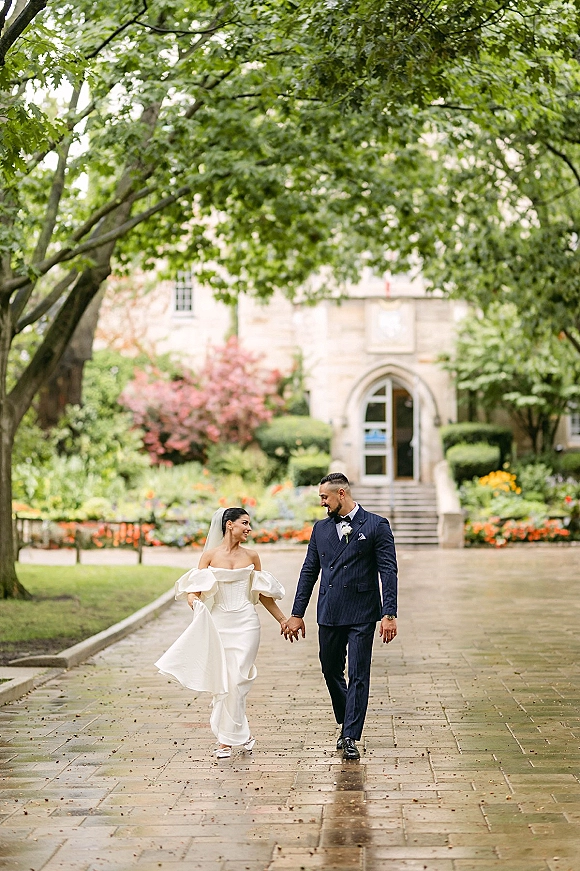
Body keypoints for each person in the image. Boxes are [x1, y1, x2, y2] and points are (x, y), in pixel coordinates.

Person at [155, 507, 288, 758]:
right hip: (219, 623)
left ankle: (229, 738)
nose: (249, 528)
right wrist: (194, 601)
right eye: (245, 523)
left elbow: (261, 594)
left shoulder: (252, 556)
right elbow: (195, 591)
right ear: (229, 524)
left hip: (247, 623)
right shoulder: (209, 557)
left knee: (238, 678)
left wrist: (282, 619)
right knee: (225, 681)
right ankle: (235, 737)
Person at [283, 472, 398, 760]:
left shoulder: (376, 525)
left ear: (341, 495)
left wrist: (389, 613)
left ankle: (349, 735)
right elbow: (309, 571)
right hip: (330, 610)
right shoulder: (320, 529)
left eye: (325, 497)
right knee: (329, 668)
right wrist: (297, 613)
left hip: (362, 611)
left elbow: (388, 571)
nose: (322, 502)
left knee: (359, 674)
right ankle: (347, 716)